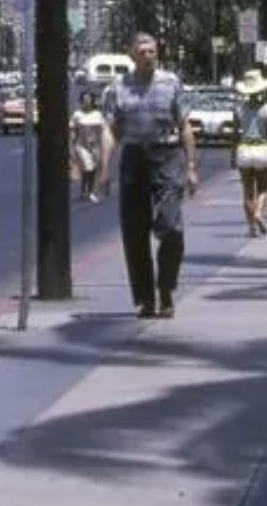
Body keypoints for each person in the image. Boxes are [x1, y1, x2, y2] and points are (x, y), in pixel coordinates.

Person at [100, 32, 197, 319]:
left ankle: (166, 288)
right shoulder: (117, 88)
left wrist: (191, 167)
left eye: (152, 51)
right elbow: (110, 131)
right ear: (132, 55)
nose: (147, 56)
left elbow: (185, 126)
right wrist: (104, 169)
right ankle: (145, 298)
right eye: (141, 51)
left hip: (167, 156)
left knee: (170, 227)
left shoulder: (171, 83)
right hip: (133, 158)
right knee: (134, 232)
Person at [231, 68, 267, 236]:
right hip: (262, 147)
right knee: (263, 188)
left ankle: (251, 227)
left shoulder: (239, 109)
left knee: (248, 190)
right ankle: (259, 213)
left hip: (244, 148)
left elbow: (235, 134)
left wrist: (233, 154)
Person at [70, 91, 108, 201]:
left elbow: (103, 131)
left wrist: (103, 146)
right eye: (84, 99)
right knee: (87, 167)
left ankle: (90, 191)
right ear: (81, 101)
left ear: (92, 101)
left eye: (89, 99)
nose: (87, 102)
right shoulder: (77, 114)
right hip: (81, 145)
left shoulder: (98, 114)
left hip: (95, 146)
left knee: (93, 170)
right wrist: (71, 146)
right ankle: (83, 190)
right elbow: (73, 131)